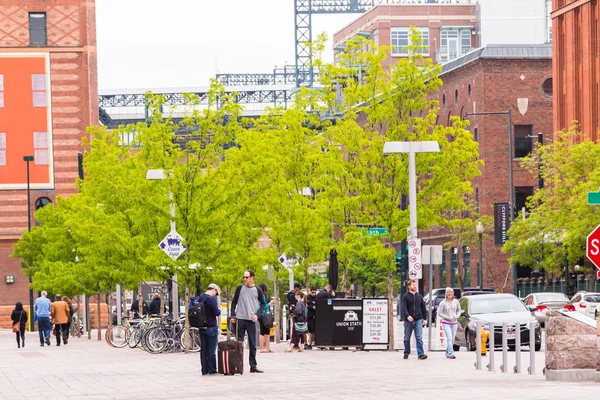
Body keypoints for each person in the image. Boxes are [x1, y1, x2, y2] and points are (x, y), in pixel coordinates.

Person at [230, 269, 267, 373]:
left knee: (252, 344)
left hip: (251, 320)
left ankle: (253, 366)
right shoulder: (240, 288)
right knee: (239, 343)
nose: (245, 279)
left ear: (252, 278)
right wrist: (233, 315)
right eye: (244, 277)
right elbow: (234, 302)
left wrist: (257, 315)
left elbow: (263, 304)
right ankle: (237, 365)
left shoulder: (258, 290)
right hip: (240, 319)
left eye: (247, 277)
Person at [198, 283, 221, 376]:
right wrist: (219, 309)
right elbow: (217, 312)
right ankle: (212, 370)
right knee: (211, 349)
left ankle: (204, 370)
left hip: (202, 327)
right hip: (211, 327)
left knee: (203, 349)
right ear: (214, 290)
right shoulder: (212, 300)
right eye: (216, 293)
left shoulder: (200, 298)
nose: (215, 295)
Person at [401, 279, 428, 360]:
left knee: (419, 338)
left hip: (418, 320)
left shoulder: (419, 297)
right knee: (406, 338)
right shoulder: (405, 297)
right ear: (409, 286)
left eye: (415, 285)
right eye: (413, 285)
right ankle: (406, 352)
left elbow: (423, 309)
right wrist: (408, 316)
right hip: (408, 321)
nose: (415, 286)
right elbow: (404, 308)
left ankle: (421, 354)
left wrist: (425, 319)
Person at [437, 287, 462, 359]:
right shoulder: (443, 303)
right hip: (446, 322)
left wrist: (457, 316)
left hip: (454, 322)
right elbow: (439, 313)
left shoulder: (456, 302)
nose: (449, 296)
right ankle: (451, 353)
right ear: (446, 295)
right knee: (449, 338)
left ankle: (447, 352)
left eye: (451, 295)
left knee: (453, 339)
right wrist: (447, 317)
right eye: (448, 295)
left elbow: (459, 310)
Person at [258, 282, 273, 353]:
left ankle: (267, 347)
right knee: (263, 331)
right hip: (263, 314)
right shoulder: (262, 296)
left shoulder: (260, 295)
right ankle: (262, 347)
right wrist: (270, 303)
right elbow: (264, 306)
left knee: (267, 331)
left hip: (264, 315)